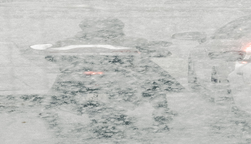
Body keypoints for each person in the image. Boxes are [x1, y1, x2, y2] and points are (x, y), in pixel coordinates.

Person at [45, 17, 180, 129]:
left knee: (62, 81)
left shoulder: (70, 42)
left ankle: (48, 109)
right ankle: (161, 110)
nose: (102, 31)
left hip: (86, 78)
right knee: (153, 79)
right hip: (118, 78)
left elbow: (51, 54)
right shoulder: (132, 41)